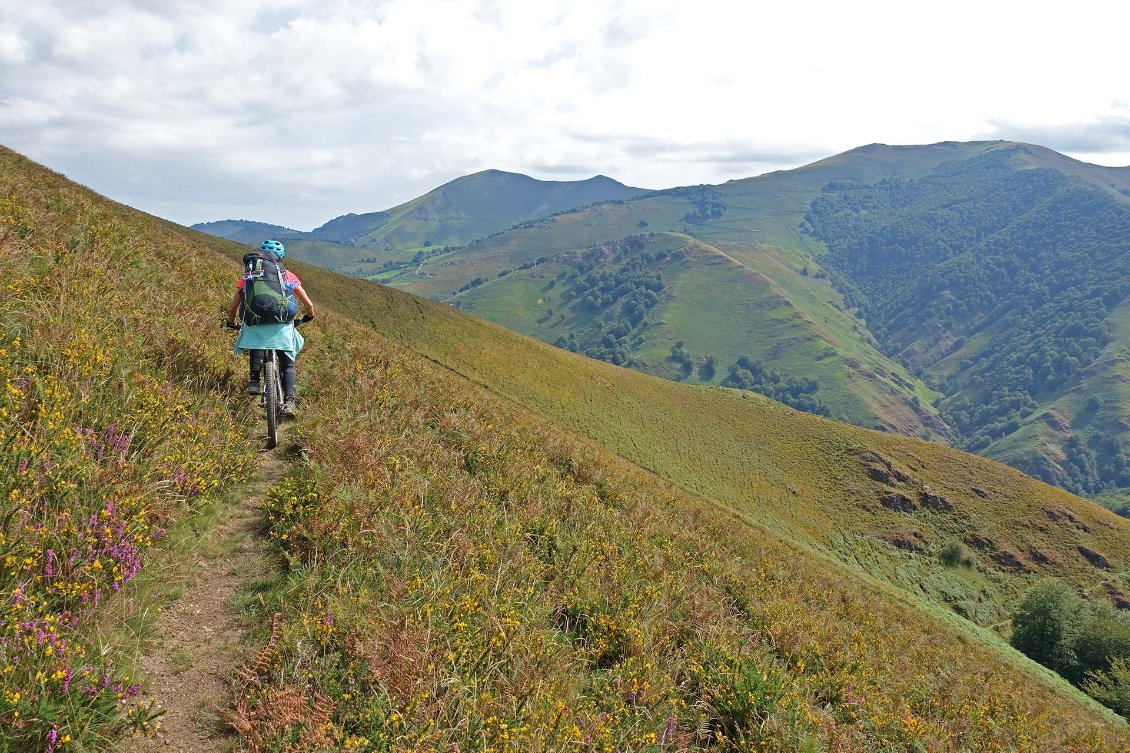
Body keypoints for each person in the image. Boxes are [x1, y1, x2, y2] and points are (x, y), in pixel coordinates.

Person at [226, 239, 316, 416]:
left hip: (254, 320)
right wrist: (309, 316)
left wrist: (231, 322)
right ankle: (290, 401)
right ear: (280, 257)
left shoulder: (249, 276)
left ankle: (253, 380)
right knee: (288, 364)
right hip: (282, 323)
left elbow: (233, 307)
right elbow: (308, 304)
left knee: (256, 336)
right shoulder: (288, 275)